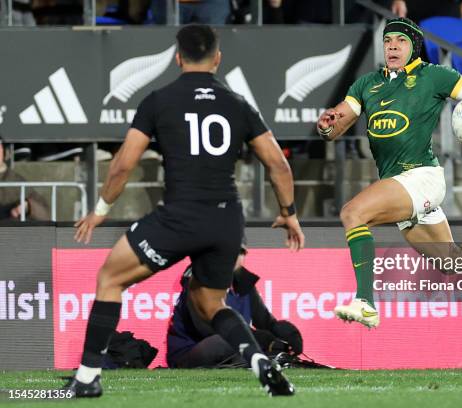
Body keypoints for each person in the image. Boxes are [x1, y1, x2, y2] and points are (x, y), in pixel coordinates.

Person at [63, 24, 304, 398]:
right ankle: (258, 361)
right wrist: (288, 213)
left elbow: (122, 165)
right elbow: (279, 166)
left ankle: (87, 377)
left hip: (179, 217)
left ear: (178, 57)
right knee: (210, 303)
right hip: (226, 221)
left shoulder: (159, 100)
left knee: (110, 279)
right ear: (218, 59)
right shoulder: (239, 104)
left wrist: (100, 210)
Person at [317, 17, 462, 328]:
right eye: (388, 40)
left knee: (353, 213)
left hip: (422, 177)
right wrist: (326, 126)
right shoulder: (366, 84)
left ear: (414, 47)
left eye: (400, 41)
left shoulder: (434, 76)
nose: (392, 45)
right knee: (452, 261)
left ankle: (365, 301)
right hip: (398, 184)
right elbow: (339, 121)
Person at [167, 243, 303, 368]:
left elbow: (266, 322)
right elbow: (206, 329)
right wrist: (264, 339)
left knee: (249, 348)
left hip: (230, 349)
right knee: (223, 342)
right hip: (189, 352)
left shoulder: (244, 284)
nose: (234, 257)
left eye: (240, 252)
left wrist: (288, 337)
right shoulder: (198, 282)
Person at [0, 136, 49, 221]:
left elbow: (45, 214)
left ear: (4, 151)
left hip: (8, 233)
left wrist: (27, 206)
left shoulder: (15, 180)